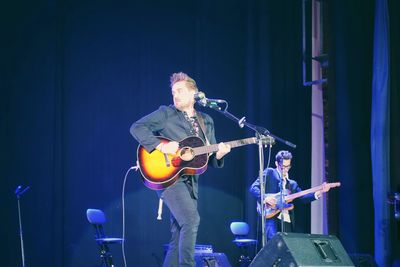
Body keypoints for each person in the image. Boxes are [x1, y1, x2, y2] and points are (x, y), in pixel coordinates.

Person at [130, 72, 231, 267]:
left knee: (177, 237)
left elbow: (206, 156)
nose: (175, 95)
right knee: (191, 221)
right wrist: (161, 146)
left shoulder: (206, 120)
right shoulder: (166, 113)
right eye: (173, 92)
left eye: (180, 91)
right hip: (168, 177)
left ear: (194, 93)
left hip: (190, 182)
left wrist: (218, 155)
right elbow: (137, 127)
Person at [249, 150, 330, 241]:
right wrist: (265, 198)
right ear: (276, 163)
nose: (286, 169)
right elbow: (253, 188)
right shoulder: (270, 172)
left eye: (288, 166)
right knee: (273, 248)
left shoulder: (292, 184)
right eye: (283, 167)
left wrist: (320, 192)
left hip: (287, 220)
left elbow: (302, 198)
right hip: (271, 219)